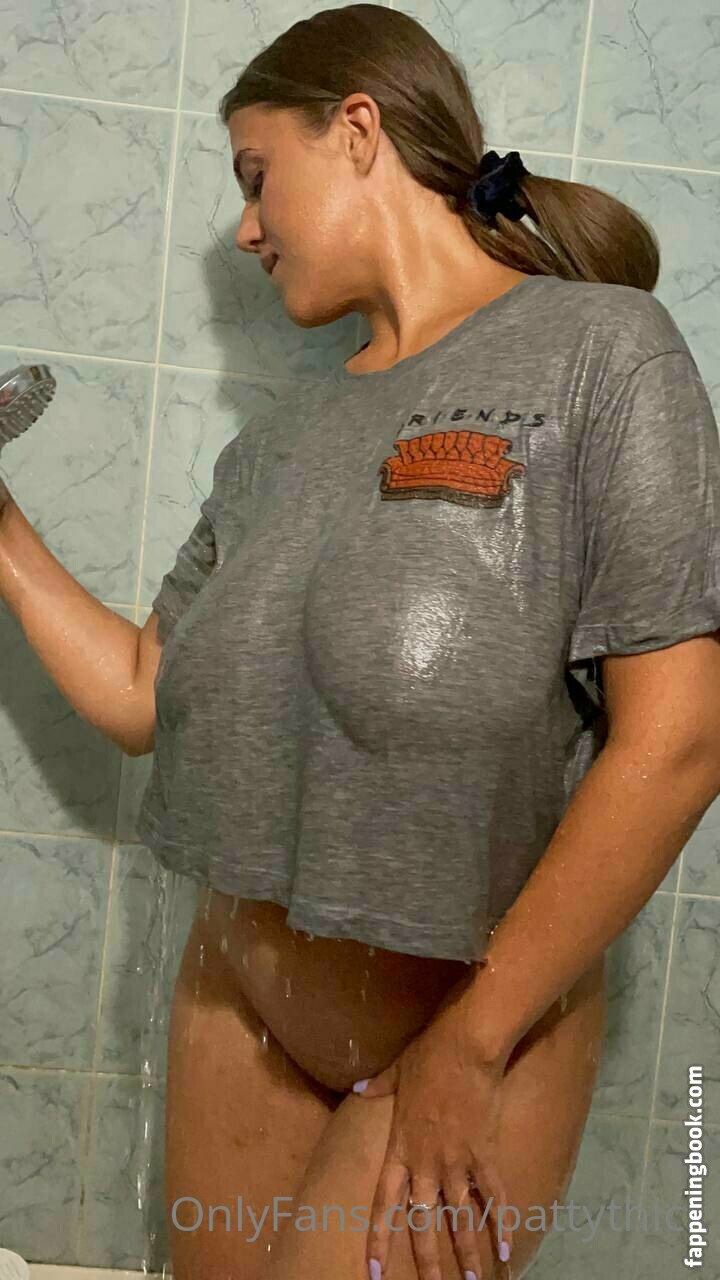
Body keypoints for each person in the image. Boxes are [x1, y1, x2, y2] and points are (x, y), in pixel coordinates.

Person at [2, 5, 720, 1279]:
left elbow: (680, 743)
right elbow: (142, 692)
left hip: (470, 1034)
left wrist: (470, 1045)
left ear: (356, 128)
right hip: (235, 1000)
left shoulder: (604, 354)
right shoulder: (273, 442)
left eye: (254, 175)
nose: (246, 228)